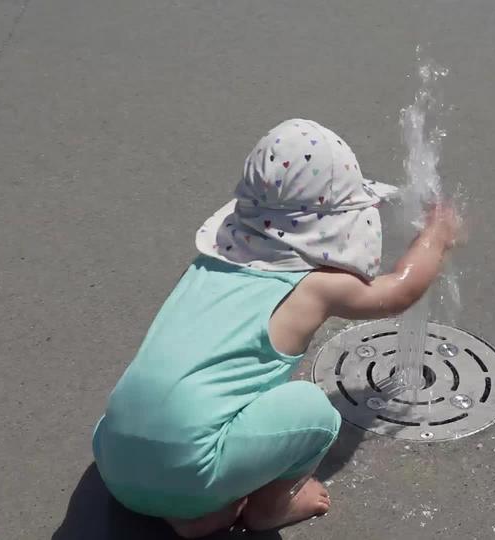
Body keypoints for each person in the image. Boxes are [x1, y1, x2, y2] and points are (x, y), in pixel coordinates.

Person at [92, 118, 460, 537]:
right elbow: (399, 292)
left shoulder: (207, 264)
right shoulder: (315, 286)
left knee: (181, 413)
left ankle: (189, 510)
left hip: (113, 460)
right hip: (189, 471)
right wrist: (437, 237)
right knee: (314, 410)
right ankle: (271, 506)